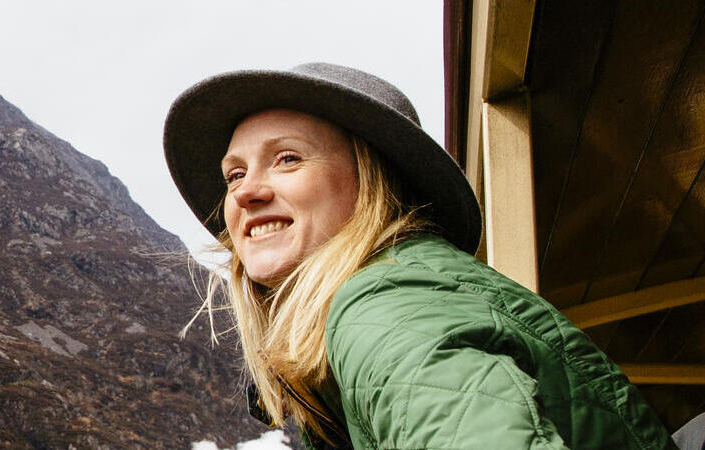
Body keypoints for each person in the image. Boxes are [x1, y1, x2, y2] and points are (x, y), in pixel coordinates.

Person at [161, 62, 676, 449]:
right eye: (234, 174)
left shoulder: (384, 306)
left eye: (288, 159)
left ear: (375, 184)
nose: (245, 192)